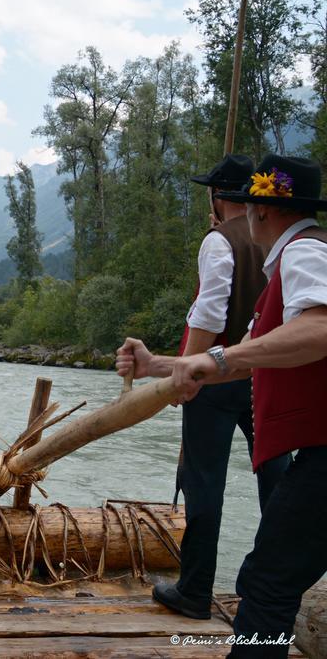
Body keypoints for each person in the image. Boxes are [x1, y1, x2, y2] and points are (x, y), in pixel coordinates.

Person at [116, 154, 327, 658]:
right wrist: (157, 366)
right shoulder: (289, 263)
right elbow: (247, 359)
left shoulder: (303, 253)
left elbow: (319, 330)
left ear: (260, 211)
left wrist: (217, 356)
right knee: (272, 573)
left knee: (267, 581)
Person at [153, 156, 289, 620]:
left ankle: (194, 591)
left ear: (218, 198)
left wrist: (187, 371)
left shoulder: (218, 241)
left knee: (204, 481)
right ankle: (276, 590)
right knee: (278, 479)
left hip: (217, 374)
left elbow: (209, 313)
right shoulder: (275, 242)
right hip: (267, 375)